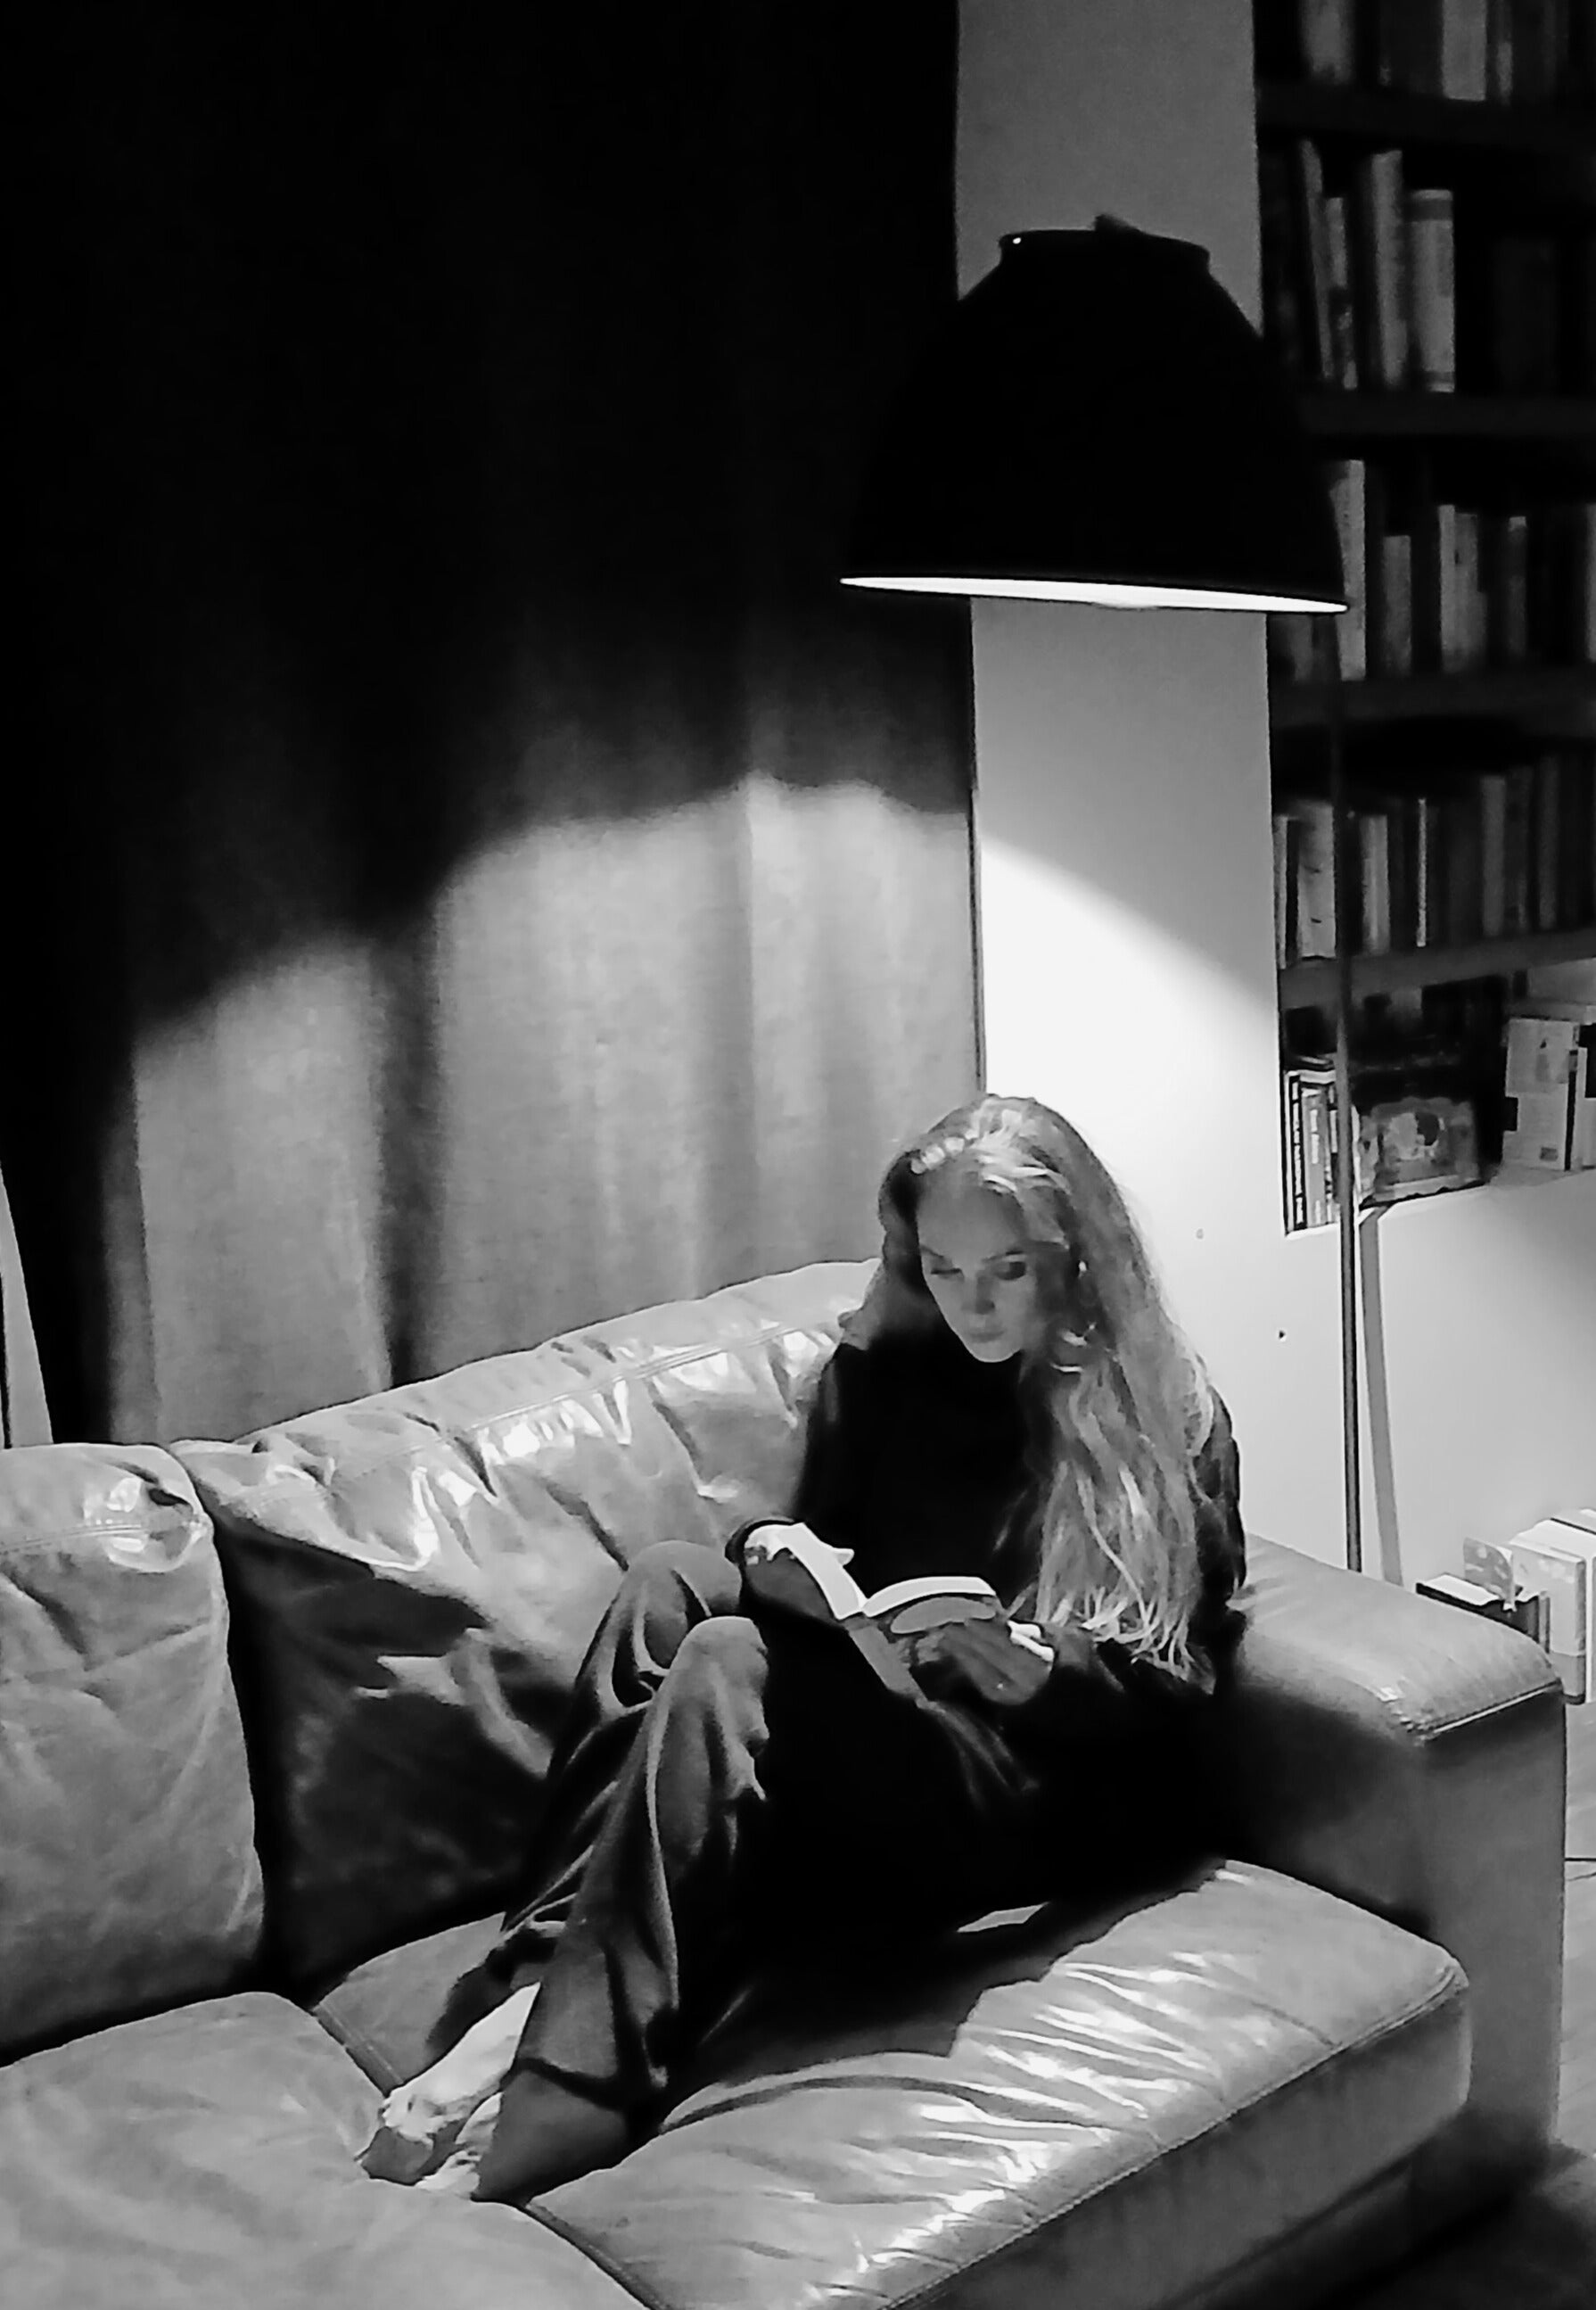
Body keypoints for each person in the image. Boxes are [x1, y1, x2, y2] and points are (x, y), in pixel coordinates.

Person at [360, 1093, 1246, 2204]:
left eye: (1006, 1270)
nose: (969, 1302)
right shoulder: (892, 1375)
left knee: (728, 1658)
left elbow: (1184, 1674)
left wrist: (1042, 1666)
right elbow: (828, 1553)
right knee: (672, 1584)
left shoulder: (1165, 1416)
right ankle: (543, 1982)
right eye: (941, 1267)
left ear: (1076, 1258)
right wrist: (775, 1550)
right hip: (889, 1715)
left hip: (1028, 1785)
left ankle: (571, 2084)